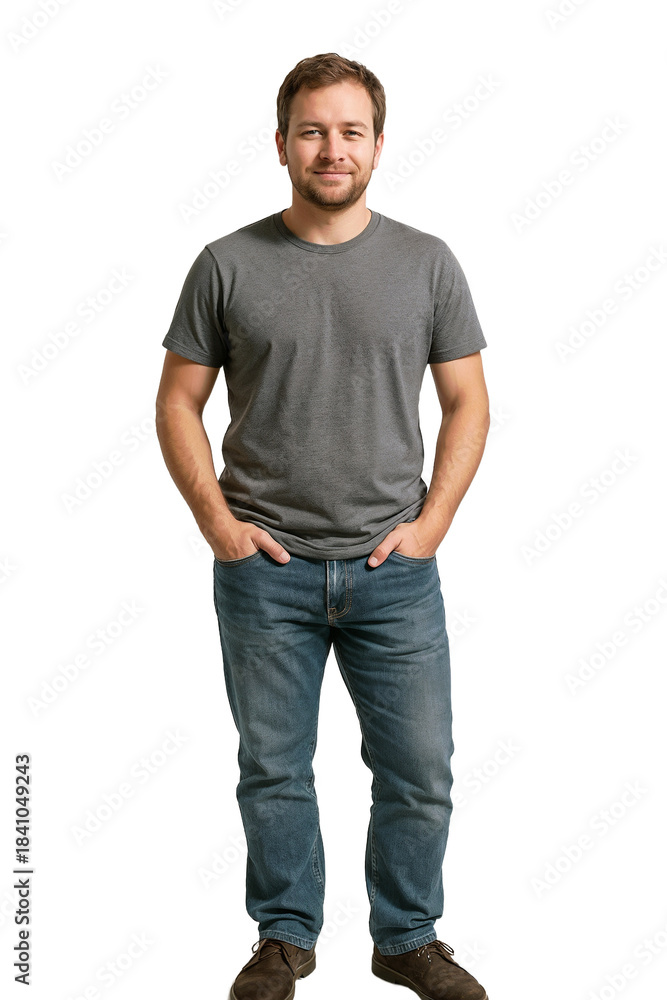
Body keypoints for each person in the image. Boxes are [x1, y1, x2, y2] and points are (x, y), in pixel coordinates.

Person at [156, 52, 490, 1000]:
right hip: (266, 567)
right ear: (281, 145)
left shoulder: (427, 263)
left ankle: (407, 938)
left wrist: (430, 525)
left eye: (350, 131)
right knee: (273, 769)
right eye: (312, 131)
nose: (331, 148)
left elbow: (467, 401)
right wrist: (220, 527)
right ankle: (284, 940)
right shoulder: (225, 264)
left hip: (393, 568)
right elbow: (177, 402)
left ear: (378, 145)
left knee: (419, 770)